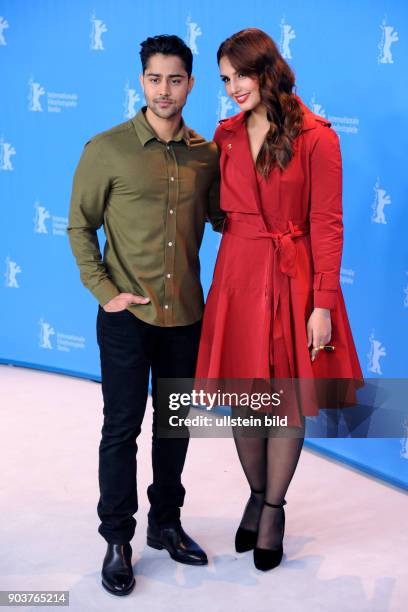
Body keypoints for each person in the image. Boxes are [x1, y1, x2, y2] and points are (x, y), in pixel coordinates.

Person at [195, 28, 364, 571]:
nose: (232, 88)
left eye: (240, 75)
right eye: (224, 80)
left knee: (284, 399)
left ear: (267, 69)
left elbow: (328, 224)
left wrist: (323, 303)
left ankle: (272, 508)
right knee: (245, 397)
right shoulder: (224, 135)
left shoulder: (317, 136)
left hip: (295, 279)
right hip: (239, 273)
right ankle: (254, 490)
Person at [67, 34, 225, 596]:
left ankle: (166, 524)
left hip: (185, 315)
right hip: (127, 319)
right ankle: (117, 539)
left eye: (175, 79)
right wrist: (104, 290)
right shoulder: (106, 149)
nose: (165, 90)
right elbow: (80, 226)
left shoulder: (207, 153)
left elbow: (224, 219)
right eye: (155, 79)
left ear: (190, 83)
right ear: (142, 82)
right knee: (121, 429)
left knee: (174, 426)